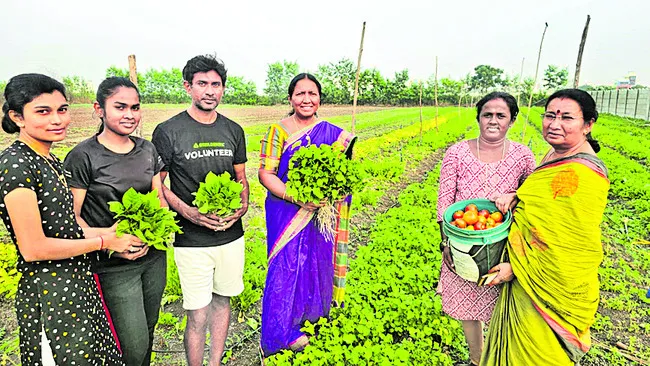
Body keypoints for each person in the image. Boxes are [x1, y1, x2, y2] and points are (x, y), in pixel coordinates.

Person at [0, 73, 143, 365]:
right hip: (50, 292)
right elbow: (33, 247)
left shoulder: (49, 159)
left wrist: (109, 232)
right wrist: (104, 241)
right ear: (17, 117)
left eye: (62, 109)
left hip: (77, 284)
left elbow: (65, 226)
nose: (57, 119)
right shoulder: (16, 164)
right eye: (43, 111)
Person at [481, 89, 609, 365]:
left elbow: (567, 242)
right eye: (550, 115)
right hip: (530, 274)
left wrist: (516, 268)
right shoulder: (556, 155)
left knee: (537, 354)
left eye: (566, 118)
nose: (554, 124)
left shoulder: (581, 175)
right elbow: (542, 201)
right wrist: (519, 195)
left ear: (588, 124)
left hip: (551, 284)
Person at [151, 55, 249, 366]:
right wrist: (188, 212)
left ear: (223, 89)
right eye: (202, 84)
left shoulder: (233, 130)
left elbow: (241, 178)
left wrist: (242, 206)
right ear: (188, 87)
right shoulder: (168, 131)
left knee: (223, 303)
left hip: (231, 236)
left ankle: (216, 362)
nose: (209, 91)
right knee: (196, 313)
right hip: (192, 241)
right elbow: (158, 184)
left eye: (216, 84)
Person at [63, 77, 167, 366]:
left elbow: (158, 199)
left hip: (152, 257)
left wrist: (152, 235)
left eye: (135, 107)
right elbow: (72, 218)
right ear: (99, 109)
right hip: (112, 266)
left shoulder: (147, 150)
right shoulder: (83, 156)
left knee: (148, 330)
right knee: (130, 345)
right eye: (120, 107)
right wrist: (111, 242)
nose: (129, 115)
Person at [258, 73, 357, 356]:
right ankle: (280, 332)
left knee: (317, 261)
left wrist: (328, 194)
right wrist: (297, 196)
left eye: (312, 93)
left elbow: (343, 174)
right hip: (287, 212)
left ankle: (311, 319)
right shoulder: (278, 131)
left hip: (321, 212)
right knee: (287, 266)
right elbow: (266, 173)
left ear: (320, 98)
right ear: (290, 98)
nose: (306, 99)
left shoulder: (333, 133)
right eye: (300, 94)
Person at [436, 92, 536, 366]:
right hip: (462, 242)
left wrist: (515, 194)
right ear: (478, 118)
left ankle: (499, 358)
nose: (493, 121)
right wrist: (446, 242)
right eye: (487, 115)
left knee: (500, 306)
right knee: (468, 306)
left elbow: (533, 197)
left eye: (501, 115)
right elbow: (445, 201)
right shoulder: (456, 153)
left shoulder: (523, 156)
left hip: (503, 247)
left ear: (512, 120)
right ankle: (477, 359)